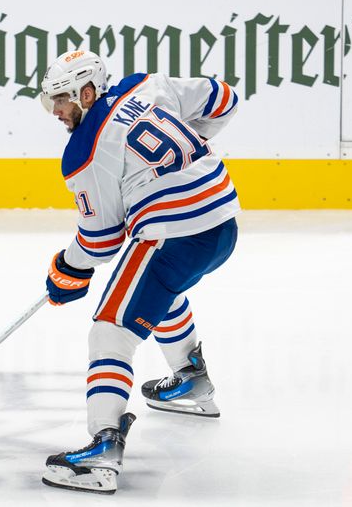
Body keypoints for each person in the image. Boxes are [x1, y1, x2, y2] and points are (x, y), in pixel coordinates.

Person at [39, 50, 240, 495]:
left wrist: (67, 269)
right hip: (222, 222)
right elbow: (224, 98)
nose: (56, 111)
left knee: (110, 330)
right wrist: (188, 154)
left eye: (62, 100)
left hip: (175, 234)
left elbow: (101, 240)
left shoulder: (84, 150)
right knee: (156, 293)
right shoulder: (144, 85)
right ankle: (190, 379)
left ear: (86, 92)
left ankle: (103, 451)